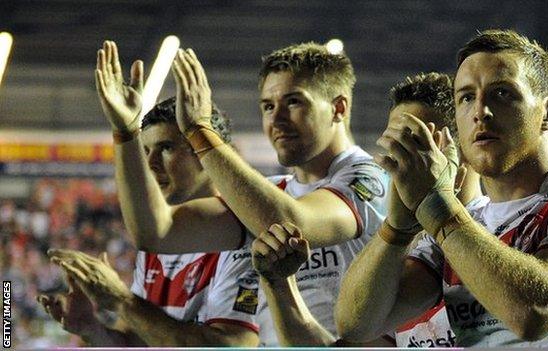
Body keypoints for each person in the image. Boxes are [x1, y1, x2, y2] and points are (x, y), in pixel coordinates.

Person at [336, 29, 548, 347]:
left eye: (502, 94)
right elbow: (358, 326)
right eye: (467, 97)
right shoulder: (462, 222)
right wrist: (397, 228)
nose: (480, 112)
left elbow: (537, 311)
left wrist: (438, 208)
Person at [158, 42, 388, 346]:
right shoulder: (274, 193)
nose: (276, 119)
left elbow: (292, 224)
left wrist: (201, 133)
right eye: (268, 106)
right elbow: (158, 231)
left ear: (338, 108)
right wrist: (125, 135)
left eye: (293, 102)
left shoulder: (372, 178)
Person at [41, 41, 259, 347]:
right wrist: (92, 329)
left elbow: (227, 347)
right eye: (145, 151)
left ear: (207, 154)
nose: (151, 163)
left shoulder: (242, 235)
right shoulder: (155, 243)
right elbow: (135, 341)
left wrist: (120, 300)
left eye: (166, 148)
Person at [252, 72, 485, 347]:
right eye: (393, 146)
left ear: (463, 150)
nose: (397, 160)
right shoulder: (405, 251)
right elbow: (350, 340)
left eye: (414, 143)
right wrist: (279, 284)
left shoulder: (505, 232)